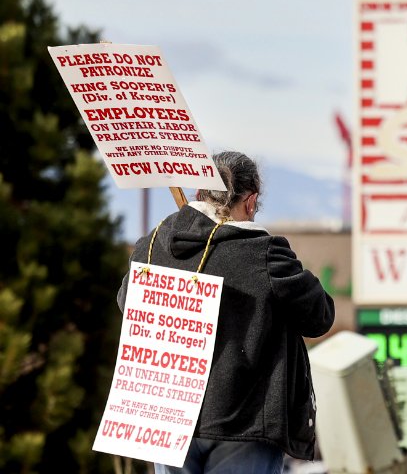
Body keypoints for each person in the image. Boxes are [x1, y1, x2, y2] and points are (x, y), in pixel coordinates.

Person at [118, 151, 335, 474]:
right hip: (242, 423)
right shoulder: (265, 254)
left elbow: (127, 303)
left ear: (198, 194)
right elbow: (319, 316)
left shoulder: (152, 246)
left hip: (166, 416)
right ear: (251, 202)